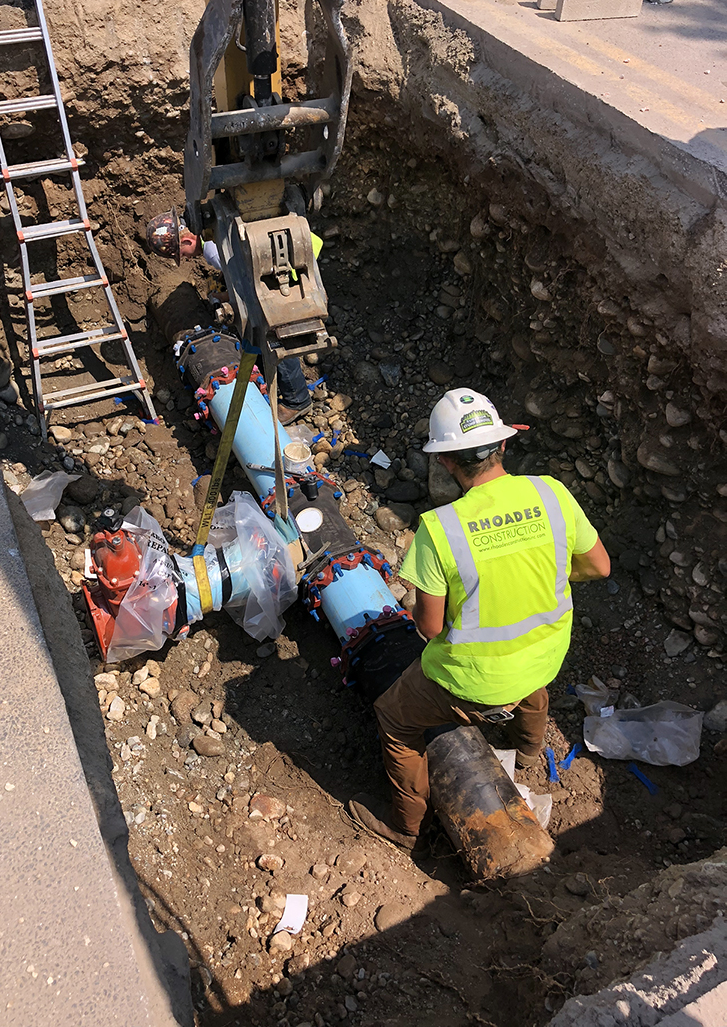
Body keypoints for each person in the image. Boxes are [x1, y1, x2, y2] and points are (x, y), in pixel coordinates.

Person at [349, 387, 611, 850]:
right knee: (528, 675)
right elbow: (597, 566)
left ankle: (406, 829)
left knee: (394, 718)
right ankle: (529, 749)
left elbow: (429, 628)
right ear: (503, 445)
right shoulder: (552, 493)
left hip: (473, 682)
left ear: (446, 461)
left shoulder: (440, 529)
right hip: (546, 656)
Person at [145, 210, 313, 424]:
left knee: (273, 335)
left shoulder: (213, 251)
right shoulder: (215, 227)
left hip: (287, 267)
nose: (186, 258)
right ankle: (272, 382)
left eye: (183, 253)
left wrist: (226, 298)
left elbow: (250, 287)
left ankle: (297, 401)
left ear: (187, 240)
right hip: (291, 247)